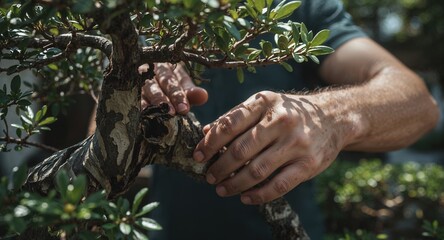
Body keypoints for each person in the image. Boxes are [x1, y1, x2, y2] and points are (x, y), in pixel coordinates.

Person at [142, 0, 439, 239]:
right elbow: (98, 142)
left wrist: (331, 117)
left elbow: (419, 104)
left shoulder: (300, 9)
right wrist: (125, 98)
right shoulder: (148, 16)